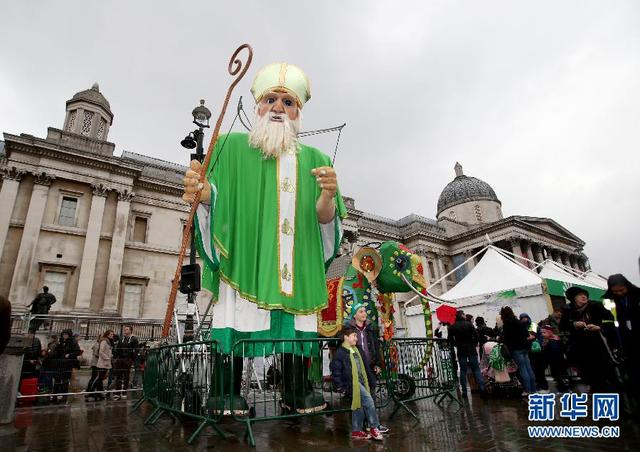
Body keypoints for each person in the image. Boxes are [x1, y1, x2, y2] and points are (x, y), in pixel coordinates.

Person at [184, 62, 347, 413]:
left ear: (299, 111)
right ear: (257, 105)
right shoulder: (228, 146)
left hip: (297, 261)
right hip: (248, 257)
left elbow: (325, 222)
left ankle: (298, 390)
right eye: (271, 98)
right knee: (238, 318)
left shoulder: (318, 159)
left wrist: (328, 198)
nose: (278, 107)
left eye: (288, 102)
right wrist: (203, 192)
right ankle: (225, 393)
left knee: (297, 327)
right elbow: (218, 194)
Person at [560, 286, 619, 393]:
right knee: (594, 381)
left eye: (585, 294)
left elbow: (610, 320)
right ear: (573, 298)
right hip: (582, 351)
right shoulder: (568, 311)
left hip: (601, 347)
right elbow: (562, 327)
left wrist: (599, 327)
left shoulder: (596, 306)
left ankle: (620, 404)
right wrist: (574, 324)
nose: (583, 296)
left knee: (610, 378)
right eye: (579, 295)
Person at [330, 326, 383, 441]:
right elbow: (336, 371)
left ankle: (356, 430)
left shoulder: (358, 349)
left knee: (358, 405)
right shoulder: (340, 353)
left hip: (362, 381)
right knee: (369, 401)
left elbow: (365, 366)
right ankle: (374, 427)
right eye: (354, 336)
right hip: (352, 383)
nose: (356, 338)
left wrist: (370, 378)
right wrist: (340, 386)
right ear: (346, 337)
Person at [344, 303, 388, 433]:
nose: (364, 314)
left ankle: (372, 425)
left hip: (370, 366)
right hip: (356, 367)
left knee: (372, 395)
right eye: (361, 311)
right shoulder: (348, 329)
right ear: (355, 314)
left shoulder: (370, 327)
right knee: (359, 397)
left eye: (365, 311)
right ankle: (365, 425)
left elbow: (375, 346)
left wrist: (378, 364)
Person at [604, 274, 640, 393]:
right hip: (625, 342)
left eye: (621, 290)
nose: (619, 293)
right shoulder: (609, 301)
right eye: (615, 291)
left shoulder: (637, 295)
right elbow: (609, 321)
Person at [448, 311, 486, 398]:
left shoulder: (452, 327)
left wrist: (456, 344)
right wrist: (473, 344)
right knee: (476, 369)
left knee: (463, 370)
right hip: (471, 349)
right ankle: (482, 388)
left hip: (461, 350)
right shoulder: (469, 324)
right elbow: (476, 336)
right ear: (462, 315)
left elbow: (450, 340)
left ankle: (464, 391)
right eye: (464, 314)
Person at [500, 306, 536, 395]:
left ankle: (527, 390)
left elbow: (506, 338)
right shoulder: (518, 322)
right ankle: (533, 389)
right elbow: (527, 334)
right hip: (524, 347)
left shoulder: (507, 324)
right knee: (529, 368)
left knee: (522, 369)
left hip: (516, 349)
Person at [51, 329, 80, 402]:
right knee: (57, 380)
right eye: (64, 334)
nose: (65, 336)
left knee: (65, 380)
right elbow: (57, 352)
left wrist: (69, 355)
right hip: (59, 363)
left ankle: (64, 395)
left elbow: (77, 351)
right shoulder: (60, 342)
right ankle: (55, 394)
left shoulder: (73, 342)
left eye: (66, 334)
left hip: (67, 364)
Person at [520, 313, 546, 391]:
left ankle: (542, 384)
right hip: (530, 350)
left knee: (539, 368)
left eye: (525, 318)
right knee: (534, 368)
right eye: (522, 318)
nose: (524, 319)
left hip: (536, 350)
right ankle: (539, 384)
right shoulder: (522, 326)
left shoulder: (533, 326)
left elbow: (534, 336)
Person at [112, 325, 139, 400]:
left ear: (130, 330)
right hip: (120, 359)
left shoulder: (134, 339)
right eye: (124, 329)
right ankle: (117, 392)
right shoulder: (121, 339)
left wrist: (132, 359)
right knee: (119, 376)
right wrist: (116, 357)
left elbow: (136, 350)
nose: (125, 331)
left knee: (126, 376)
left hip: (128, 360)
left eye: (127, 329)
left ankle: (124, 392)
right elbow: (118, 349)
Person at [540, 325, 568, 392]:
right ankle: (563, 387)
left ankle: (562, 389)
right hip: (559, 361)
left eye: (544, 333)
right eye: (542, 333)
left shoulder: (552, 342)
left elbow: (552, 353)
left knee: (558, 376)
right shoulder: (556, 339)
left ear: (549, 332)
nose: (542, 334)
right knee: (559, 376)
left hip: (555, 362)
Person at [94, 330, 114, 401]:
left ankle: (98, 392)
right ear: (107, 335)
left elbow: (106, 351)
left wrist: (110, 355)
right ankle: (93, 391)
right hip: (103, 363)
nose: (112, 335)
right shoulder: (104, 341)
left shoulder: (108, 341)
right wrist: (107, 358)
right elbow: (101, 352)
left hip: (106, 362)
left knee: (101, 378)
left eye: (112, 334)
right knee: (100, 378)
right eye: (111, 334)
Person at [85, 335, 102, 401]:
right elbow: (96, 354)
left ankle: (98, 391)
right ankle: (90, 391)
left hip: (97, 363)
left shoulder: (98, 344)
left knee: (98, 377)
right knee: (94, 377)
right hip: (96, 363)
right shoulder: (97, 344)